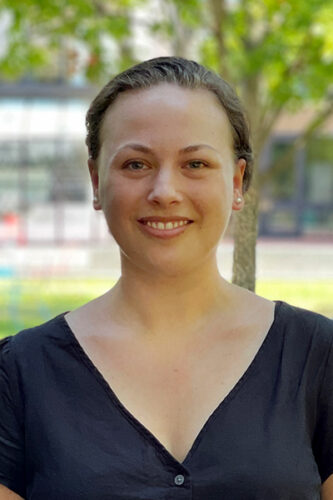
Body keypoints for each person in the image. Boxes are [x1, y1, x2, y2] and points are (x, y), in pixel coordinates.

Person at [0, 57, 332, 500]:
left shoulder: (319, 358)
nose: (164, 192)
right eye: (136, 164)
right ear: (96, 182)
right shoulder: (20, 373)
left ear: (237, 182)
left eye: (195, 164)